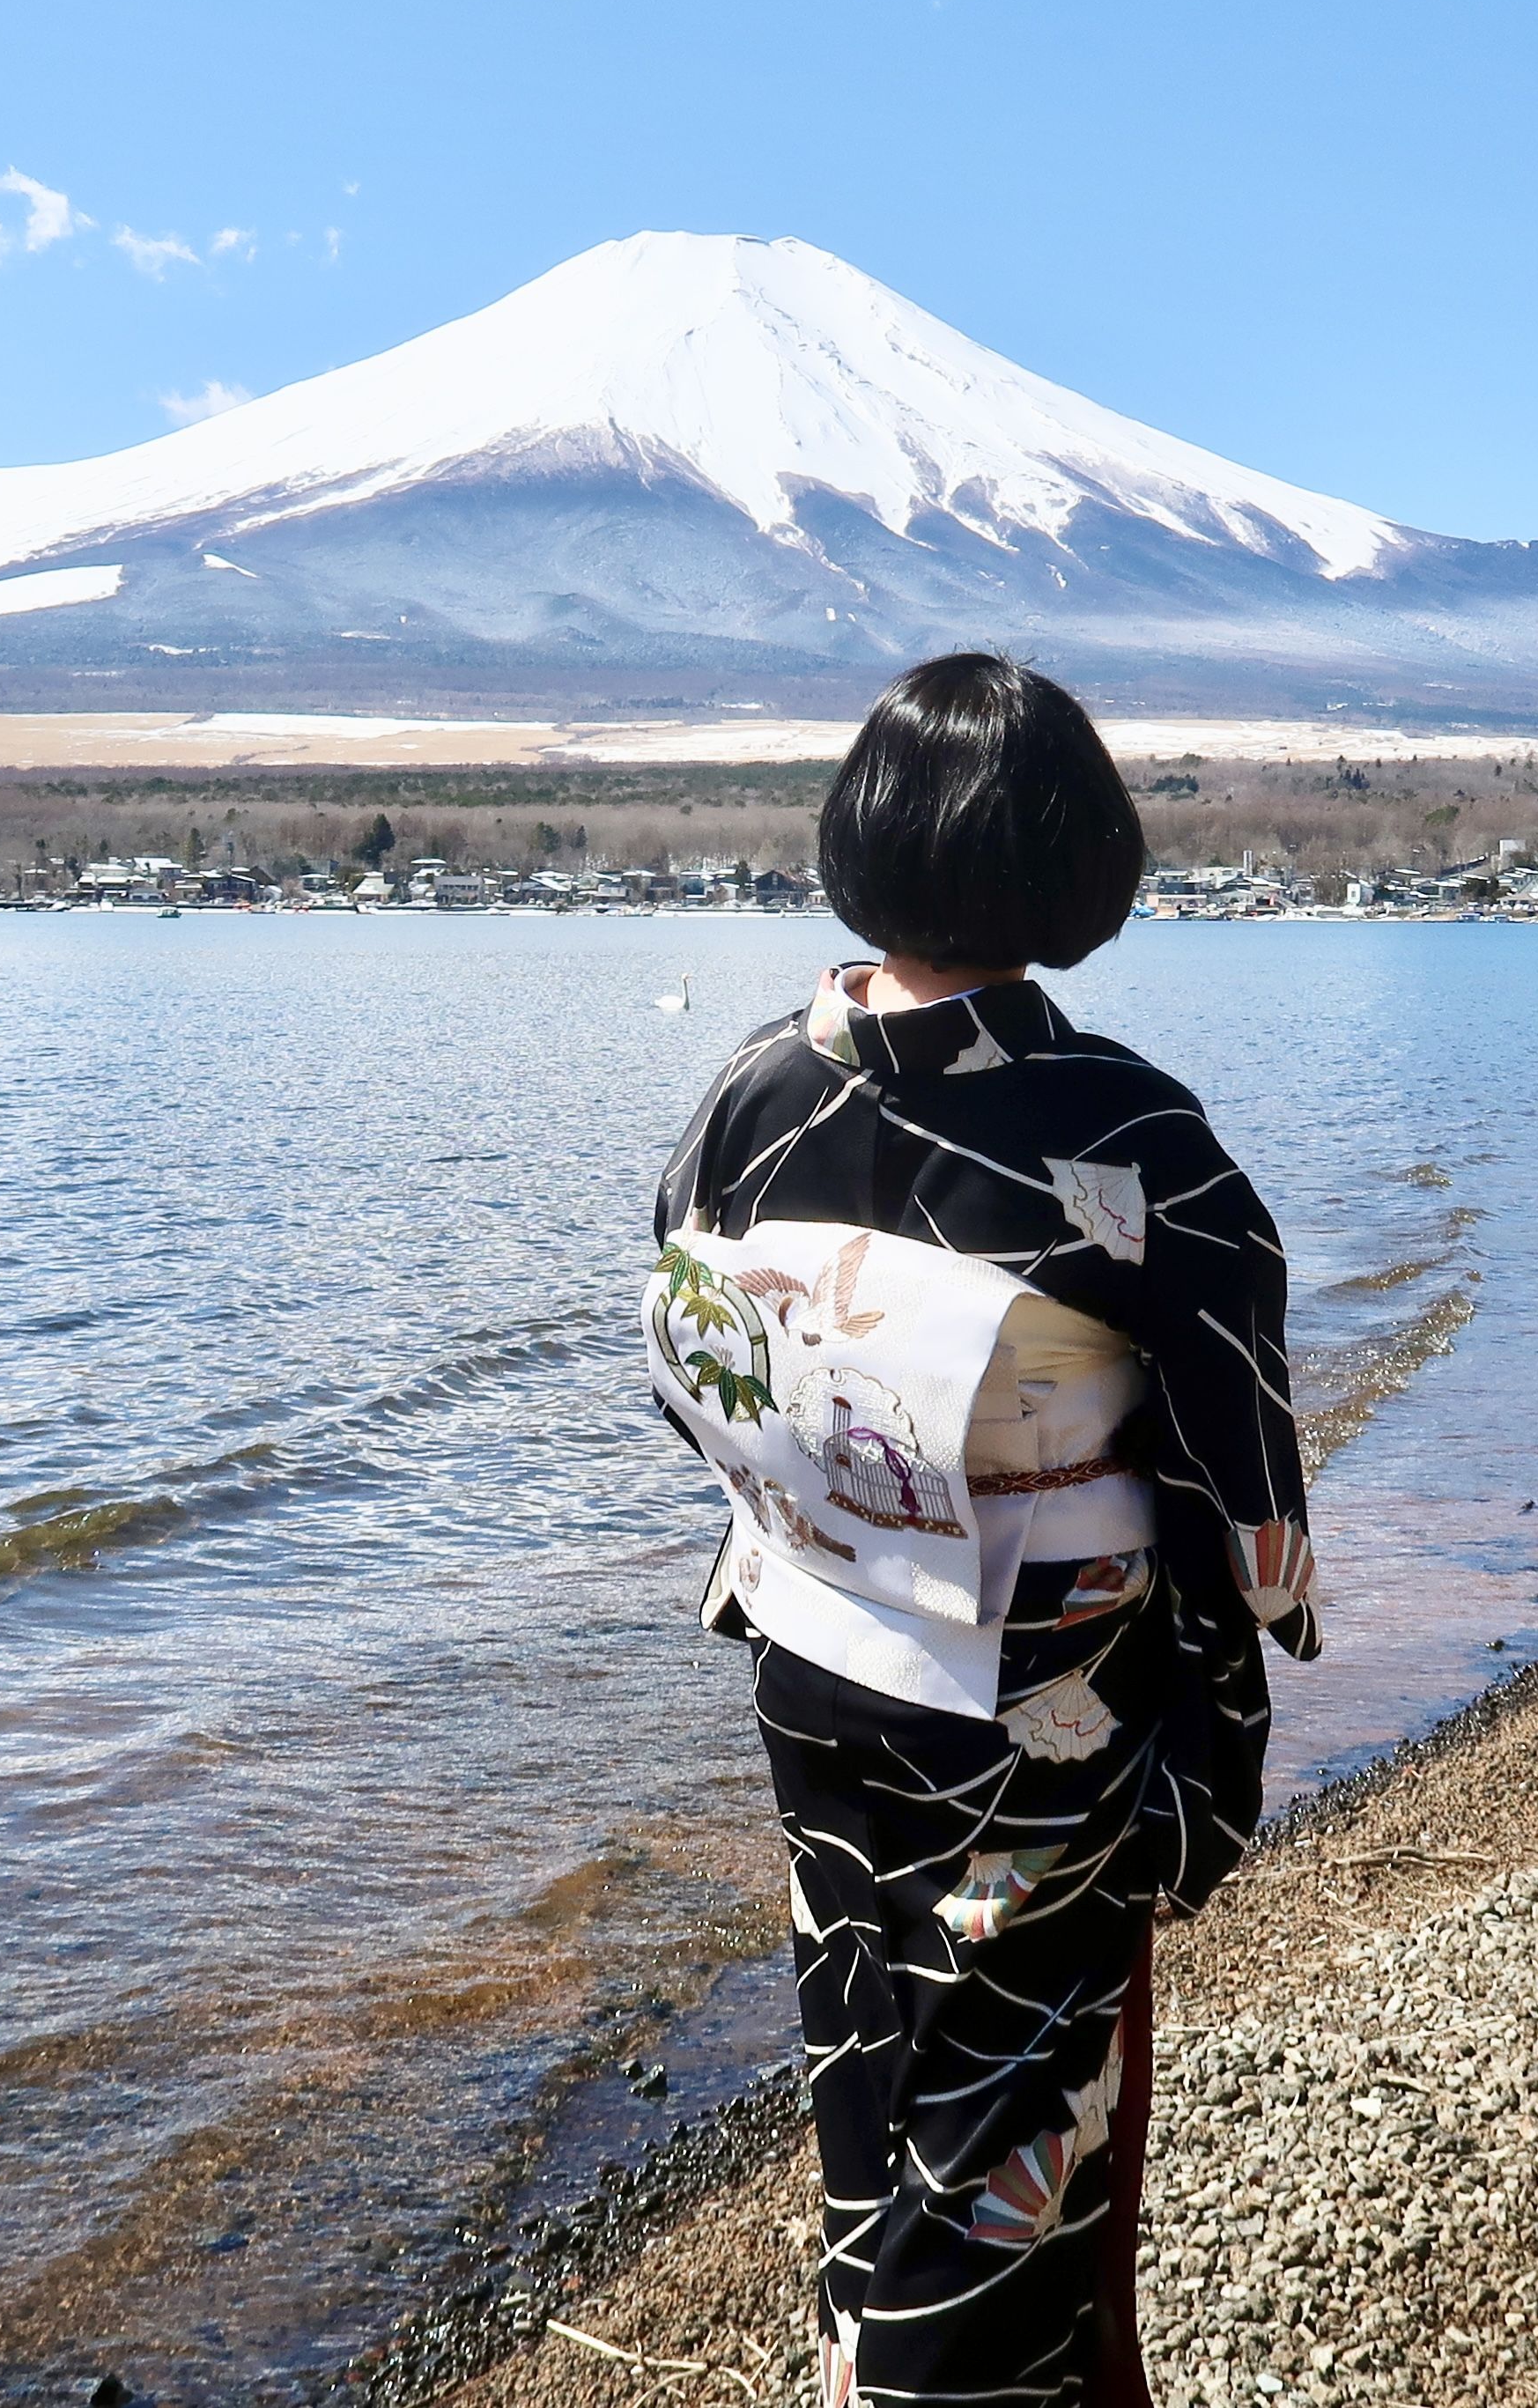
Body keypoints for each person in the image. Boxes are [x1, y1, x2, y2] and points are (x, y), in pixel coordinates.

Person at [645, 653, 1320, 2408]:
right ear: (1074, 864)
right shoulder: (1123, 1134)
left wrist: (839, 1496)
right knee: (1014, 2097)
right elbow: (1232, 1450)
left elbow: (695, 1377)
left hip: (815, 1650)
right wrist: (1236, 1645)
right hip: (1041, 1698)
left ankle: (868, 2356)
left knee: (858, 2045)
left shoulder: (740, 1100)